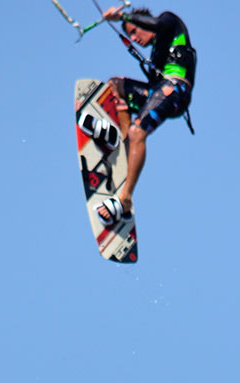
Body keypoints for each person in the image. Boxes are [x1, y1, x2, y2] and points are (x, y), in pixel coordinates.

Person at [96, 7, 196, 226]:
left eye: (134, 32)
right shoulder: (156, 55)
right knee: (114, 85)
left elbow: (158, 25)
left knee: (138, 130)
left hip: (175, 90)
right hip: (159, 91)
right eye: (130, 35)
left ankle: (125, 199)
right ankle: (124, 145)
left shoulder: (170, 22)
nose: (134, 38)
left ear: (144, 22)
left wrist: (122, 16)